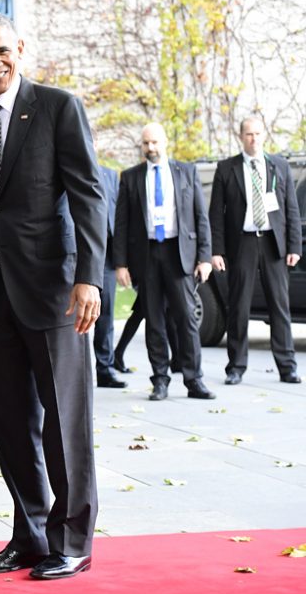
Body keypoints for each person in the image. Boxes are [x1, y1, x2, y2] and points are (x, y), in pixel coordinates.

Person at [0, 12, 106, 580]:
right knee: (10, 422)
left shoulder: (59, 108)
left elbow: (88, 194)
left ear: (20, 48)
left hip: (56, 291)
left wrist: (89, 276)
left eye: (1, 51)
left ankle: (73, 540)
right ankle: (31, 536)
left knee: (64, 421)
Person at [114, 122, 215, 401]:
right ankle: (160, 380)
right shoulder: (131, 177)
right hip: (146, 256)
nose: (151, 148)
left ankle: (194, 380)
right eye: (146, 143)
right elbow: (121, 223)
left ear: (165, 142)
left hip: (178, 254)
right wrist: (120, 263)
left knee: (187, 320)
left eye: (155, 142)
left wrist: (204, 257)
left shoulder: (186, 172)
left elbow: (200, 217)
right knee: (154, 321)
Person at [209, 117, 302, 385]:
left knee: (279, 307)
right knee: (238, 306)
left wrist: (294, 246)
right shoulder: (227, 168)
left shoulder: (279, 165)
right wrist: (217, 250)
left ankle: (287, 367)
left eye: (258, 133)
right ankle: (236, 366)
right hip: (243, 242)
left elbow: (291, 210)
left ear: (265, 135)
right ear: (241, 137)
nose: (254, 139)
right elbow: (216, 214)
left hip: (273, 243)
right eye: (249, 134)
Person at [95, 164, 126, 388]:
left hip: (106, 254)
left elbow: (119, 215)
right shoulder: (66, 167)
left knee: (106, 314)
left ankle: (105, 369)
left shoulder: (110, 175)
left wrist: (121, 259)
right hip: (76, 251)